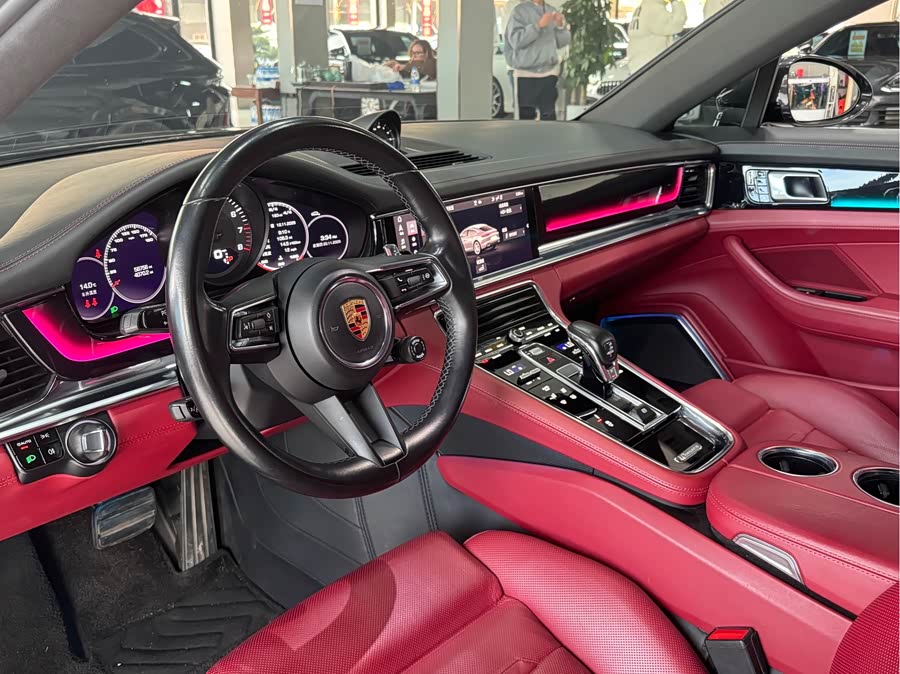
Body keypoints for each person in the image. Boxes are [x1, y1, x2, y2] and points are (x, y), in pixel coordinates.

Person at [505, 0, 570, 121]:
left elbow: (562, 43)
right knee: (526, 120)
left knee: (549, 118)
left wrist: (560, 26)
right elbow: (516, 41)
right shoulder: (519, 11)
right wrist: (538, 25)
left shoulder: (551, 10)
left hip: (549, 74)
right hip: (525, 75)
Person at [627, 0, 686, 73]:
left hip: (640, 67)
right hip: (651, 67)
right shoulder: (653, 8)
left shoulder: (643, 7)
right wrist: (676, 1)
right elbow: (677, 23)